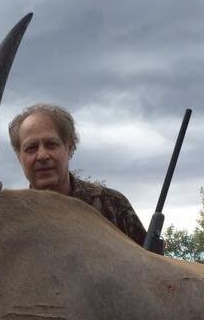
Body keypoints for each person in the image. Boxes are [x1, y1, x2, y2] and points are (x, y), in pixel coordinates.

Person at [8, 103, 150, 248]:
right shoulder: (10, 220)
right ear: (19, 156)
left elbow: (150, 265)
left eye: (51, 144)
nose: (42, 155)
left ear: (69, 148)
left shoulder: (112, 205)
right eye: (31, 148)